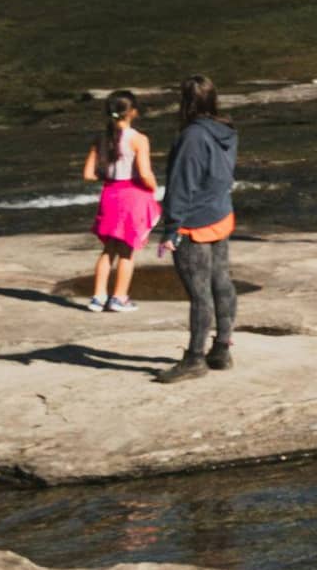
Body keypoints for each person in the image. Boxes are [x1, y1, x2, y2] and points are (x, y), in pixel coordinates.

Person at [162, 77, 239, 380]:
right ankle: (221, 349)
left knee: (200, 292)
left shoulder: (192, 137)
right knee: (221, 281)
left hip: (194, 223)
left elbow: (182, 184)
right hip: (220, 213)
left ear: (185, 103)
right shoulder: (226, 129)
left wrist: (171, 228)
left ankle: (195, 359)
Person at [81, 93, 159, 313]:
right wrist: (154, 187)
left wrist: (108, 176)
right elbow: (144, 172)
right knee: (127, 250)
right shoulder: (138, 139)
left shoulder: (101, 138)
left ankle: (98, 297)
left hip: (110, 193)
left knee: (108, 249)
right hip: (132, 194)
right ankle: (119, 297)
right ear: (132, 111)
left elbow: (88, 174)